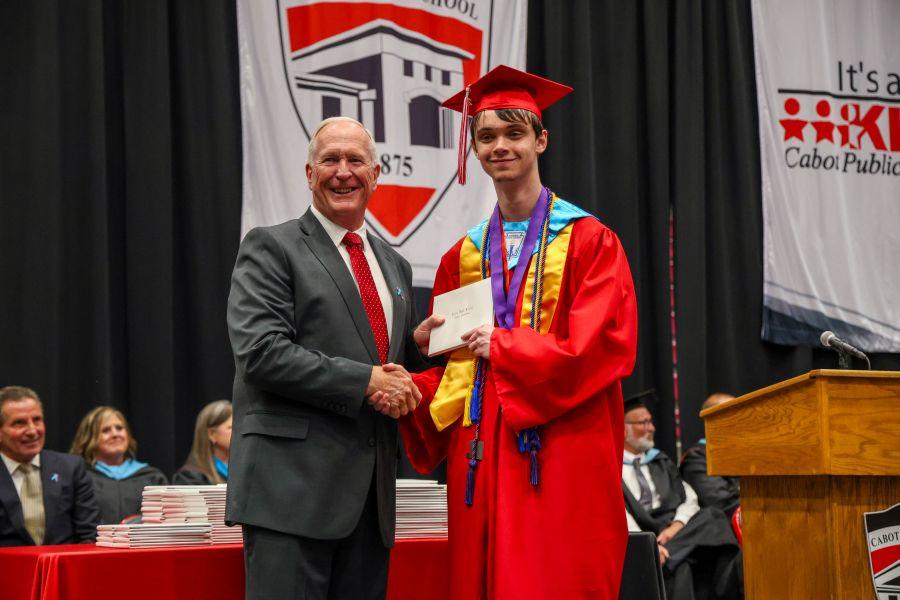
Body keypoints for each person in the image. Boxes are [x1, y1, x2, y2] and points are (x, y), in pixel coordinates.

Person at [390, 66, 639, 599]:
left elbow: (600, 348)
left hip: (564, 443)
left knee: (558, 577)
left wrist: (502, 345)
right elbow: (460, 373)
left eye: (514, 133)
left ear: (540, 140)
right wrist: (419, 362)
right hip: (481, 448)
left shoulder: (591, 242)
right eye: (486, 137)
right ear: (474, 151)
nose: (500, 146)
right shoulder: (463, 255)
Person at [226, 116, 425, 600]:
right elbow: (261, 353)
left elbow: (387, 366)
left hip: (370, 504)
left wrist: (420, 347)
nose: (343, 172)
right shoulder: (271, 246)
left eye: (356, 160)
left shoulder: (393, 264)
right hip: (290, 497)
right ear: (309, 173)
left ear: (376, 174)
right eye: (330, 160)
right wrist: (368, 382)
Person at [622, 392, 742, 600]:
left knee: (713, 516)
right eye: (644, 423)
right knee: (682, 565)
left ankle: (665, 555)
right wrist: (647, 545)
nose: (652, 428)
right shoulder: (612, 467)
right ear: (623, 429)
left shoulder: (660, 461)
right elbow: (618, 510)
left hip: (673, 532)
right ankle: (659, 555)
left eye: (651, 422)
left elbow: (688, 496)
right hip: (641, 535)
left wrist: (677, 524)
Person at [0, 386, 100, 545]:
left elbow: (89, 534)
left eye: (37, 420)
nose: (33, 431)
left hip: (63, 568)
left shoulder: (71, 468)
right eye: (19, 423)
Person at [69, 406, 167, 524]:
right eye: (106, 430)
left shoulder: (152, 477)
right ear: (89, 438)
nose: (115, 434)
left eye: (119, 428)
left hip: (142, 542)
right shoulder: (81, 477)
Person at [680, 393, 740, 518]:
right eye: (731, 411)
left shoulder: (746, 451)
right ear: (713, 419)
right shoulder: (696, 458)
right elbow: (720, 503)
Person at [174, 399, 232, 485]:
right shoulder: (190, 478)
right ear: (212, 434)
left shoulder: (244, 471)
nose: (240, 432)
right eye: (231, 427)